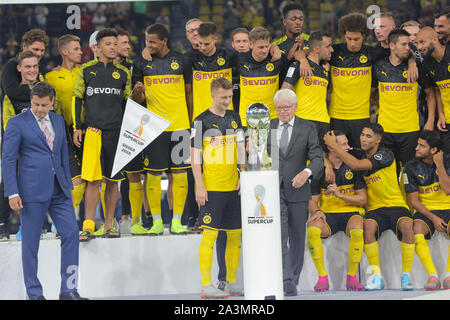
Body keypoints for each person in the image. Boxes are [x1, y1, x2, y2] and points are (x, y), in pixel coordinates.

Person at [2, 82, 86, 300]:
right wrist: (12, 192)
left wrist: (68, 182)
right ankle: (34, 294)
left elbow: (62, 153)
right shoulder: (16, 123)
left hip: (60, 190)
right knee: (30, 244)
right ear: (31, 100)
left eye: (43, 105)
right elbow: (8, 160)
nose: (39, 109)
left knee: (71, 235)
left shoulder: (58, 120)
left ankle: (69, 290)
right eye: (35, 104)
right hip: (30, 193)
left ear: (52, 102)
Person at [323, 123, 416, 291]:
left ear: (378, 139)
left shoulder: (386, 154)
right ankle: (376, 276)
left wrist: (336, 146)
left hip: (396, 204)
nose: (363, 139)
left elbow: (357, 165)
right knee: (368, 227)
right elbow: (323, 151)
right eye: (362, 135)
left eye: (368, 136)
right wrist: (328, 164)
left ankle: (406, 275)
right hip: (374, 208)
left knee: (407, 226)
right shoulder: (357, 154)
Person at [132, 23, 192, 235]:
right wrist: (138, 91)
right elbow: (136, 100)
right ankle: (157, 222)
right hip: (153, 127)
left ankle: (177, 221)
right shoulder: (140, 63)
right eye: (147, 41)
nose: (149, 45)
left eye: (153, 42)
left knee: (180, 173)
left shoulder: (182, 60)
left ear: (164, 41)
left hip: (180, 125)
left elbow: (188, 93)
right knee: (153, 175)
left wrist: (191, 121)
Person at [73, 28, 132, 240]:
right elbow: (77, 99)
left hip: (116, 133)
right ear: (97, 48)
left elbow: (128, 104)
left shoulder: (124, 73)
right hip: (93, 132)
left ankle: (109, 225)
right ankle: (88, 226)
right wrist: (77, 127)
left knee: (112, 181)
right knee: (92, 181)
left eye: (115, 44)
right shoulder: (86, 70)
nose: (114, 48)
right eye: (109, 44)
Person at [191, 77, 246, 299]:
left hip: (234, 186)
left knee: (235, 235)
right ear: (213, 95)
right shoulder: (200, 121)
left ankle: (231, 282)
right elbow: (195, 159)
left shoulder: (235, 117)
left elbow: (241, 148)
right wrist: (200, 186)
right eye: (223, 97)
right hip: (211, 189)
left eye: (230, 97)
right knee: (209, 236)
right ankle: (206, 284)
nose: (227, 101)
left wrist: (244, 174)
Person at [269, 88, 323, 296]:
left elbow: (317, 159)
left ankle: (294, 277)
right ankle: (286, 278)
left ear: (295, 107)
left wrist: (306, 172)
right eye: (279, 108)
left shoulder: (307, 127)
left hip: (299, 190)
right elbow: (261, 155)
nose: (282, 111)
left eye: (286, 107)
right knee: (280, 236)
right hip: (273, 191)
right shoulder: (269, 126)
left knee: (298, 237)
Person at [307, 130, 366, 292]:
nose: (348, 147)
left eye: (347, 143)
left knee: (357, 229)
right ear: (332, 148)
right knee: (312, 229)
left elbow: (362, 199)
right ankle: (322, 278)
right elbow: (312, 200)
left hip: (351, 212)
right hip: (328, 213)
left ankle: (352, 278)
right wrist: (317, 211)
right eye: (344, 144)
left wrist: (340, 195)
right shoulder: (319, 169)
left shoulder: (354, 165)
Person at [372, 28, 436, 173]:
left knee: (410, 171)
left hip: (410, 129)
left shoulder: (416, 67)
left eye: (409, 44)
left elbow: (430, 94)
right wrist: (379, 108)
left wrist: (430, 119)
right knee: (388, 171)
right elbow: (372, 93)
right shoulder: (378, 66)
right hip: (385, 130)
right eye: (404, 44)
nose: (408, 48)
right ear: (391, 45)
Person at [404, 130, 450, 290]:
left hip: (448, 208)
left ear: (434, 150)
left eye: (421, 146)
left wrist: (439, 164)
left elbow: (447, 190)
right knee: (416, 228)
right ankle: (433, 276)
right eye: (418, 144)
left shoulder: (447, 161)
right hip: (426, 211)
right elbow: (413, 201)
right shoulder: (410, 167)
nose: (416, 148)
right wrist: (433, 218)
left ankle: (449, 275)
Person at [327, 13, 380, 149]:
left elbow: (398, 51)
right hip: (336, 115)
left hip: (360, 116)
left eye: (356, 39)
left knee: (359, 154)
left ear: (364, 36)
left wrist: (411, 63)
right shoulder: (334, 52)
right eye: (349, 38)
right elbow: (310, 52)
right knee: (337, 154)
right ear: (344, 35)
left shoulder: (371, 53)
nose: (352, 43)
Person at [45, 35, 85, 214]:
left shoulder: (85, 71)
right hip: (64, 133)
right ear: (64, 51)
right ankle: (62, 220)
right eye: (76, 49)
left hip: (87, 130)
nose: (81, 51)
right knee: (76, 180)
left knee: (91, 180)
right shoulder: (50, 77)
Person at [281, 30, 333, 142]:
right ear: (317, 49)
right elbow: (284, 92)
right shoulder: (298, 65)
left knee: (321, 158)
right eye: (328, 46)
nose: (332, 50)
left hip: (323, 122)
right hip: (303, 121)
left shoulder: (326, 69)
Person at [191, 22, 236, 121]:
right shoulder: (191, 59)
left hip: (226, 118)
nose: (202, 47)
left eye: (207, 44)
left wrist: (274, 48)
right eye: (200, 43)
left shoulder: (229, 56)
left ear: (215, 39)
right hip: (200, 119)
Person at [238, 26, 283, 126]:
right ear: (250, 44)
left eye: (267, 46)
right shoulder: (240, 59)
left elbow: (298, 54)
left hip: (272, 119)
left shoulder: (276, 58)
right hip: (246, 119)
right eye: (261, 47)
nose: (265, 50)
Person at [415, 27, 450, 153]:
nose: (419, 47)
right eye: (416, 43)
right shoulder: (427, 64)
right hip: (447, 121)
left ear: (435, 39)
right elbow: (437, 91)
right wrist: (441, 115)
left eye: (422, 42)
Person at [271, 3, 309, 81]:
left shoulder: (312, 42)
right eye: (293, 19)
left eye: (301, 19)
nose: (298, 22)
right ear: (284, 22)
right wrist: (288, 59)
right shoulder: (275, 46)